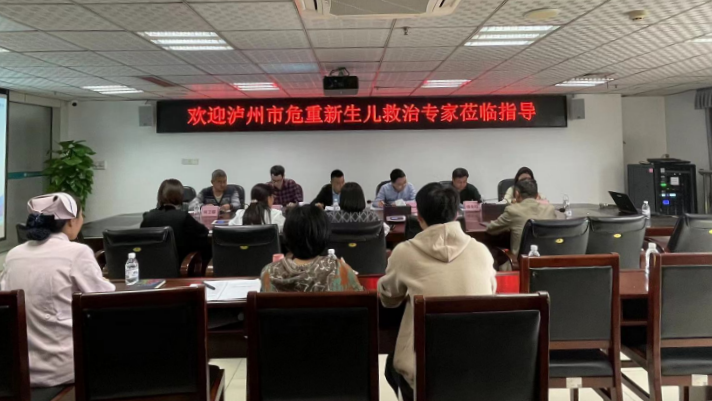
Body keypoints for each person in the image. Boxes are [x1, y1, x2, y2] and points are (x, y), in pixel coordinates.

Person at [378, 183, 496, 401]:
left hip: (425, 372)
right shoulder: (481, 251)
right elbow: (491, 293)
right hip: (477, 368)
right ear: (456, 214)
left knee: (392, 365)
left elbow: (388, 299)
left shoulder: (404, 253)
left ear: (419, 217)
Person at [0, 193, 115, 395]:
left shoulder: (13, 255)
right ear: (71, 221)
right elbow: (104, 301)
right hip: (64, 367)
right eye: (81, 215)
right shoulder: (77, 253)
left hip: (19, 370)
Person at [260, 205, 363, 293]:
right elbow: (362, 302)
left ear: (287, 235)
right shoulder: (340, 270)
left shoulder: (268, 272)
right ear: (324, 234)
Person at [141, 179, 211, 264]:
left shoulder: (147, 217)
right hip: (181, 266)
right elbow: (204, 234)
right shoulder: (183, 217)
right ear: (180, 196)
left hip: (152, 266)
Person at [486, 179, 556, 258]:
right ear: (537, 195)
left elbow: (491, 229)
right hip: (546, 261)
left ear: (517, 194)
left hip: (520, 262)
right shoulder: (550, 209)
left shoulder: (513, 210)